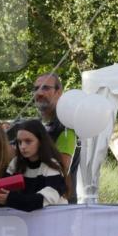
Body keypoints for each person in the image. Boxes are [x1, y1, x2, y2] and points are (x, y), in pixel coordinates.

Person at [32, 73, 79, 203]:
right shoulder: (36, 126)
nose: (39, 93)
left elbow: (60, 168)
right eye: (36, 89)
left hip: (59, 205)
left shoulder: (66, 125)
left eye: (45, 88)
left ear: (59, 92)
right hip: (35, 202)